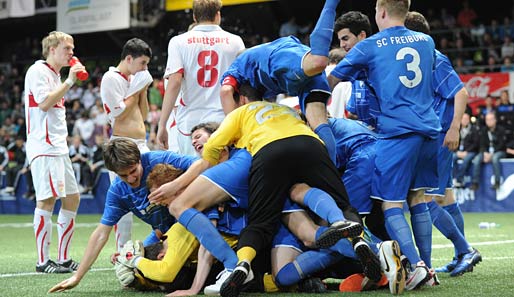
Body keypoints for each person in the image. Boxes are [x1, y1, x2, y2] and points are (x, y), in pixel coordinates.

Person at [328, 0, 441, 290]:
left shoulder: (371, 45)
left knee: (390, 204)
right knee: (418, 199)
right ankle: (428, 268)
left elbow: (332, 77)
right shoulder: (427, 41)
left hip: (397, 133)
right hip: (429, 130)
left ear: (380, 12)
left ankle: (415, 267)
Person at [47, 138, 197, 292]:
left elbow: (202, 163)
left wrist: (175, 186)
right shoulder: (118, 191)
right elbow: (101, 233)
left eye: (133, 171)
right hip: (167, 235)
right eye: (123, 175)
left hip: (195, 224)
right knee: (132, 270)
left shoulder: (158, 159)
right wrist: (77, 277)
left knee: (170, 277)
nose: (131, 179)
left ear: (139, 159)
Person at [405, 11, 482, 278]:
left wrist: (454, 128)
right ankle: (461, 254)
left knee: (426, 200)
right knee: (445, 197)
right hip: (435, 133)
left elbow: (461, 92)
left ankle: (466, 249)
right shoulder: (424, 58)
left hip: (438, 135)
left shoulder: (434, 58)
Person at [219, 0, 341, 163]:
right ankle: (332, 173)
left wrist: (232, 131)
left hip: (277, 55)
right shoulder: (257, 90)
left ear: (240, 97)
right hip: (297, 80)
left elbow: (225, 91)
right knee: (319, 123)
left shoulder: (239, 64)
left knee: (318, 62)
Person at [24, 31, 85, 273]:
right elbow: (44, 103)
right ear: (52, 49)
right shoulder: (37, 71)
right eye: (67, 48)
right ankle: (42, 262)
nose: (71, 52)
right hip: (44, 146)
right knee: (47, 200)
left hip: (59, 147)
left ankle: (63, 258)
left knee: (72, 197)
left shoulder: (55, 75)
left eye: (72, 48)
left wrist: (66, 80)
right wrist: (70, 81)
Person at [156, 0, 245, 156]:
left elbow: (175, 82)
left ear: (194, 17)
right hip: (224, 120)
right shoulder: (235, 41)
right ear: (218, 15)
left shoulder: (178, 42)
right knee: (224, 175)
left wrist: (162, 124)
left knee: (193, 174)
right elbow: (243, 83)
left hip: (190, 123)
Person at [100, 37, 154, 251]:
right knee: (123, 204)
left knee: (156, 192)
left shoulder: (133, 79)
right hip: (122, 144)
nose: (145, 68)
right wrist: (136, 88)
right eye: (142, 63)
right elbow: (118, 112)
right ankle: (122, 252)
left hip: (141, 142)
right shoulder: (110, 78)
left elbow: (145, 113)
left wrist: (143, 90)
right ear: (129, 58)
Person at [333, 10, 380, 129]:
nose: (342, 45)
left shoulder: (381, 63)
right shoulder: (355, 69)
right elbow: (354, 113)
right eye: (340, 40)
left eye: (345, 38)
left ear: (362, 36)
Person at [471, 111, 507, 190]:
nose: (489, 121)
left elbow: (502, 144)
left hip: (499, 151)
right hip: (487, 152)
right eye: (487, 120)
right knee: (477, 159)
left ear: (495, 120)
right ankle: (475, 182)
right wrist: (484, 153)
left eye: (491, 119)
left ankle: (497, 182)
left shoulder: (501, 129)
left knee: (495, 158)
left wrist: (491, 154)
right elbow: (482, 144)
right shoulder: (483, 130)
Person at [453, 113, 481, 187]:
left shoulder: (474, 129)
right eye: (463, 119)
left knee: (466, 160)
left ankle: (459, 180)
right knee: (451, 158)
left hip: (470, 151)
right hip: (459, 151)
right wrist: (457, 151)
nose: (465, 120)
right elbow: (454, 141)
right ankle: (453, 178)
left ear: (469, 120)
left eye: (466, 119)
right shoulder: (457, 129)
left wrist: (466, 152)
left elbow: (476, 143)